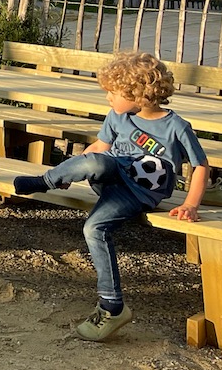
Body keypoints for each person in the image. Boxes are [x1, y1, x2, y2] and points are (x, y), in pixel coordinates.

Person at [12, 51, 209, 343]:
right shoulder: (117, 116)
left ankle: (111, 306)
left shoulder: (175, 127)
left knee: (93, 228)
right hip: (110, 176)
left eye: (113, 92)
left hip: (139, 193)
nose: (108, 98)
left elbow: (200, 165)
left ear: (138, 93)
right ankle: (47, 180)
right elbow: (98, 149)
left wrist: (190, 204)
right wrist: (69, 171)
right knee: (95, 162)